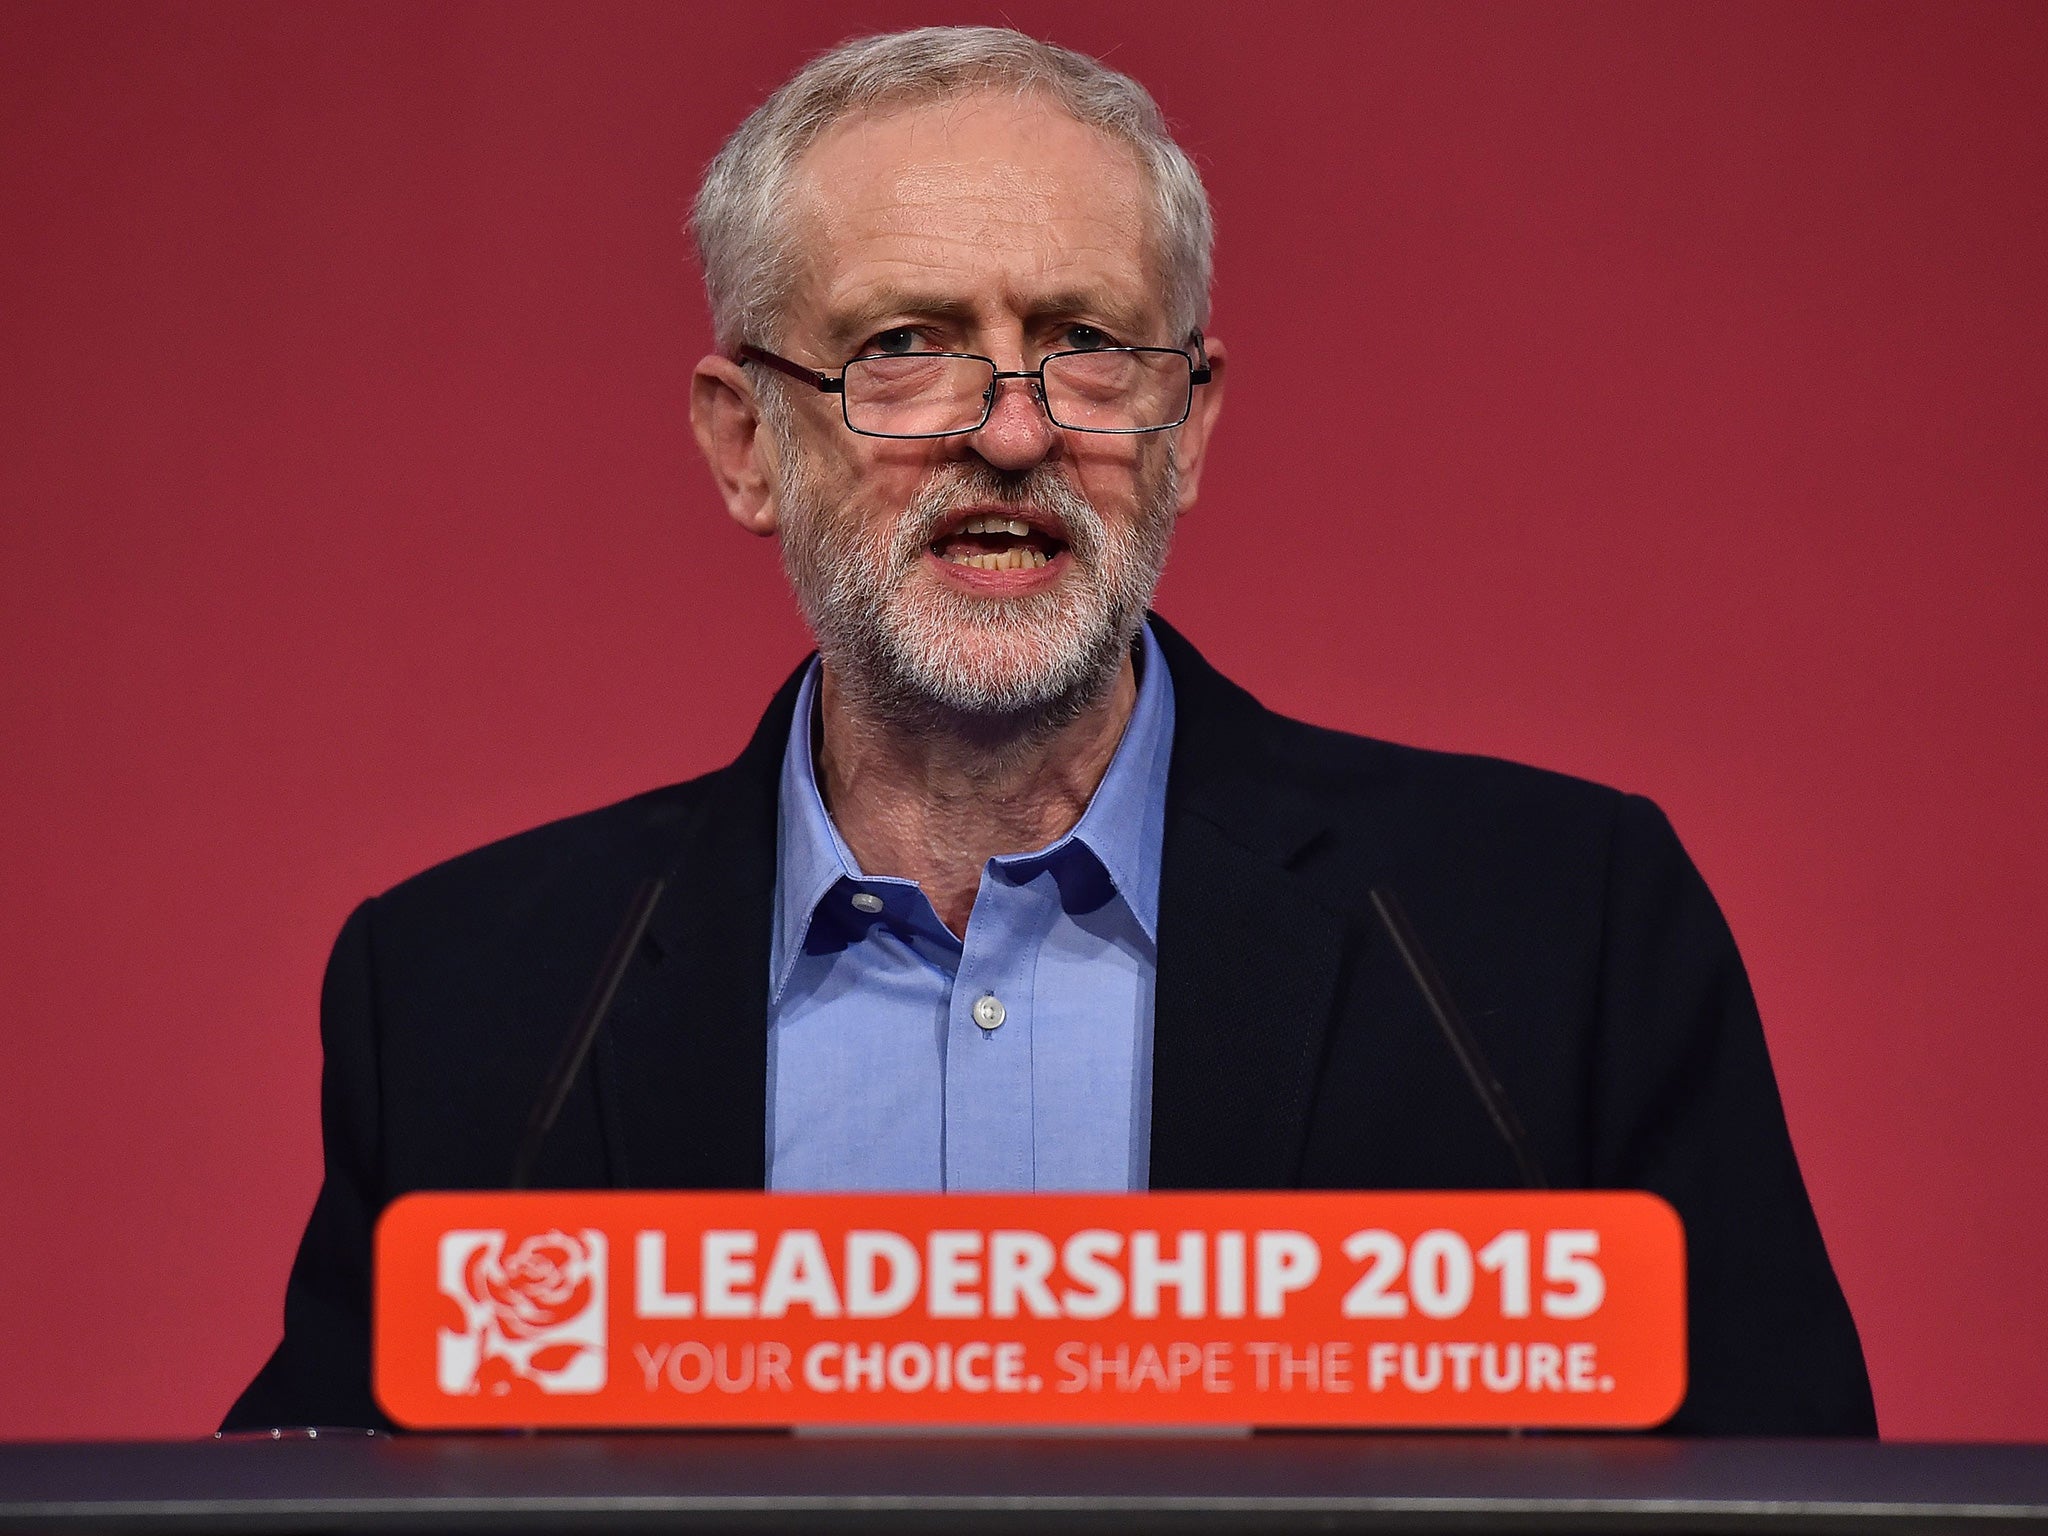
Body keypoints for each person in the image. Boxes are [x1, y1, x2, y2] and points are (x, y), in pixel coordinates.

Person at [226, 26, 1875, 1436]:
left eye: (1086, 345)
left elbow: (1789, 1507)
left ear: (1190, 425)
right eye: (905, 347)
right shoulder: (461, 995)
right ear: (745, 445)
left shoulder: (1559, 931)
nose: (1011, 431)